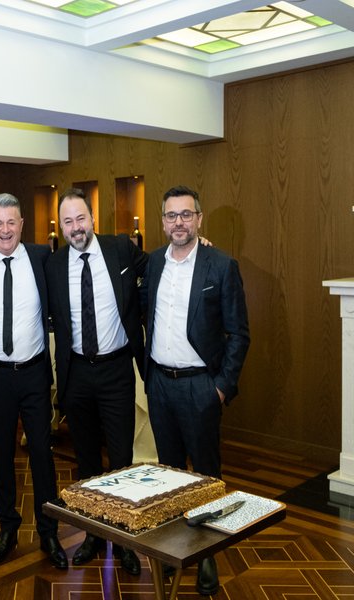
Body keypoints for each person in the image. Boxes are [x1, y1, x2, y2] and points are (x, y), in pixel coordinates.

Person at [144, 185, 250, 596]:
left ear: (199, 219)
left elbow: (239, 334)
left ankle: (208, 556)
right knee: (168, 476)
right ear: (163, 221)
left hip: (200, 387)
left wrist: (220, 388)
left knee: (206, 476)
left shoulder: (220, 265)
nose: (179, 222)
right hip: (160, 385)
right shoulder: (153, 263)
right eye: (171, 215)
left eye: (186, 215)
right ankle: (175, 552)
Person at [0, 193, 67, 569]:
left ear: (22, 225)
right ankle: (7, 528)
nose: (5, 230)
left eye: (11, 222)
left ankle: (49, 531)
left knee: (42, 455)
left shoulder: (42, 257)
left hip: (34, 373)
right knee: (1, 455)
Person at [44, 189, 145, 575]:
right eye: (67, 221)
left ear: (93, 218)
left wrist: (198, 245)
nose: (75, 228)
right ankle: (93, 534)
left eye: (80, 219)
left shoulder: (120, 249)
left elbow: (157, 265)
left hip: (116, 370)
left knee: (121, 461)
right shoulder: (53, 264)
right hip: (76, 374)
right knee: (85, 460)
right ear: (62, 226)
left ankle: (124, 539)